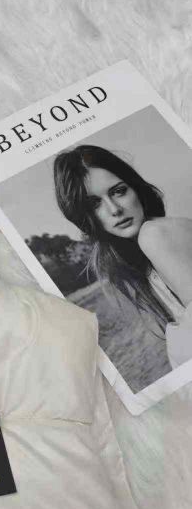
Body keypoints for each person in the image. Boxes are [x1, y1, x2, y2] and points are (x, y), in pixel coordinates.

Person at [53, 144, 192, 368]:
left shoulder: (154, 234)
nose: (114, 209)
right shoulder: (141, 252)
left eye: (119, 191)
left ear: (135, 188)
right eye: (94, 203)